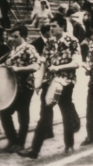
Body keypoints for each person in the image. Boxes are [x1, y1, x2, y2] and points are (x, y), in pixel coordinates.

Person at [18, 17, 81, 159]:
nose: (51, 29)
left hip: (66, 82)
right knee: (44, 115)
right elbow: (44, 63)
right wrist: (39, 82)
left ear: (62, 27)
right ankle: (34, 150)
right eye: (51, 26)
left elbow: (77, 62)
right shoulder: (50, 42)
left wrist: (59, 67)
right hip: (49, 82)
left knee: (66, 114)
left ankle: (69, 145)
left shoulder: (73, 41)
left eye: (54, 25)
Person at [0, 23, 41, 153]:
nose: (12, 39)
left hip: (25, 87)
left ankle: (20, 143)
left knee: (23, 115)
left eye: (15, 36)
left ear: (23, 36)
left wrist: (18, 69)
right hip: (12, 87)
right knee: (4, 111)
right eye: (11, 36)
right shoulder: (13, 50)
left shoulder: (29, 48)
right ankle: (13, 140)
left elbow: (35, 66)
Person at [31, 24, 54, 140]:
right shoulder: (35, 44)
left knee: (64, 103)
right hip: (44, 76)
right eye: (51, 30)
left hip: (56, 76)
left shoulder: (55, 42)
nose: (52, 32)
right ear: (46, 32)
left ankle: (75, 122)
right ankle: (48, 130)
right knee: (46, 105)